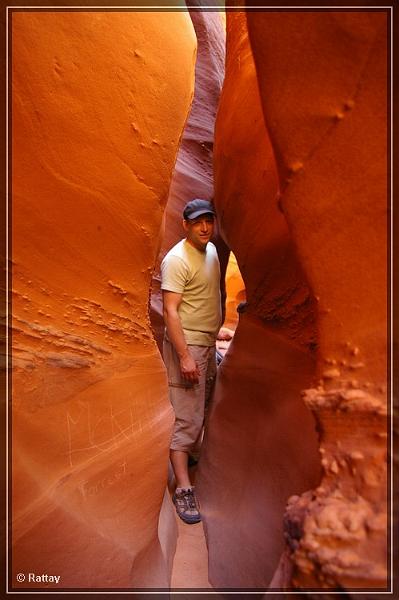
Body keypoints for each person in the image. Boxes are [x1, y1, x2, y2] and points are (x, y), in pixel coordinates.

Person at [161, 198, 222, 524]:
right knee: (186, 416)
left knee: (202, 408)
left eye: (208, 221)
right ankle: (184, 487)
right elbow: (171, 311)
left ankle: (191, 457)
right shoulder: (177, 259)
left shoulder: (211, 251)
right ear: (185, 224)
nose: (204, 227)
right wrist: (185, 356)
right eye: (197, 222)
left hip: (207, 343)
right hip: (189, 346)